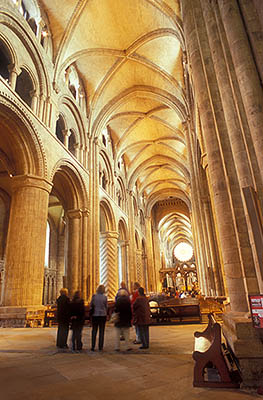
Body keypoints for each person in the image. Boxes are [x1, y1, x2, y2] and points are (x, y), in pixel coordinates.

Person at [90, 284, 107, 351]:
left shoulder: (94, 296)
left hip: (95, 315)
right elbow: (106, 306)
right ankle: (100, 346)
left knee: (94, 331)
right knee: (101, 331)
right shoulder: (104, 297)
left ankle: (93, 346)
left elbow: (91, 305)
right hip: (103, 315)